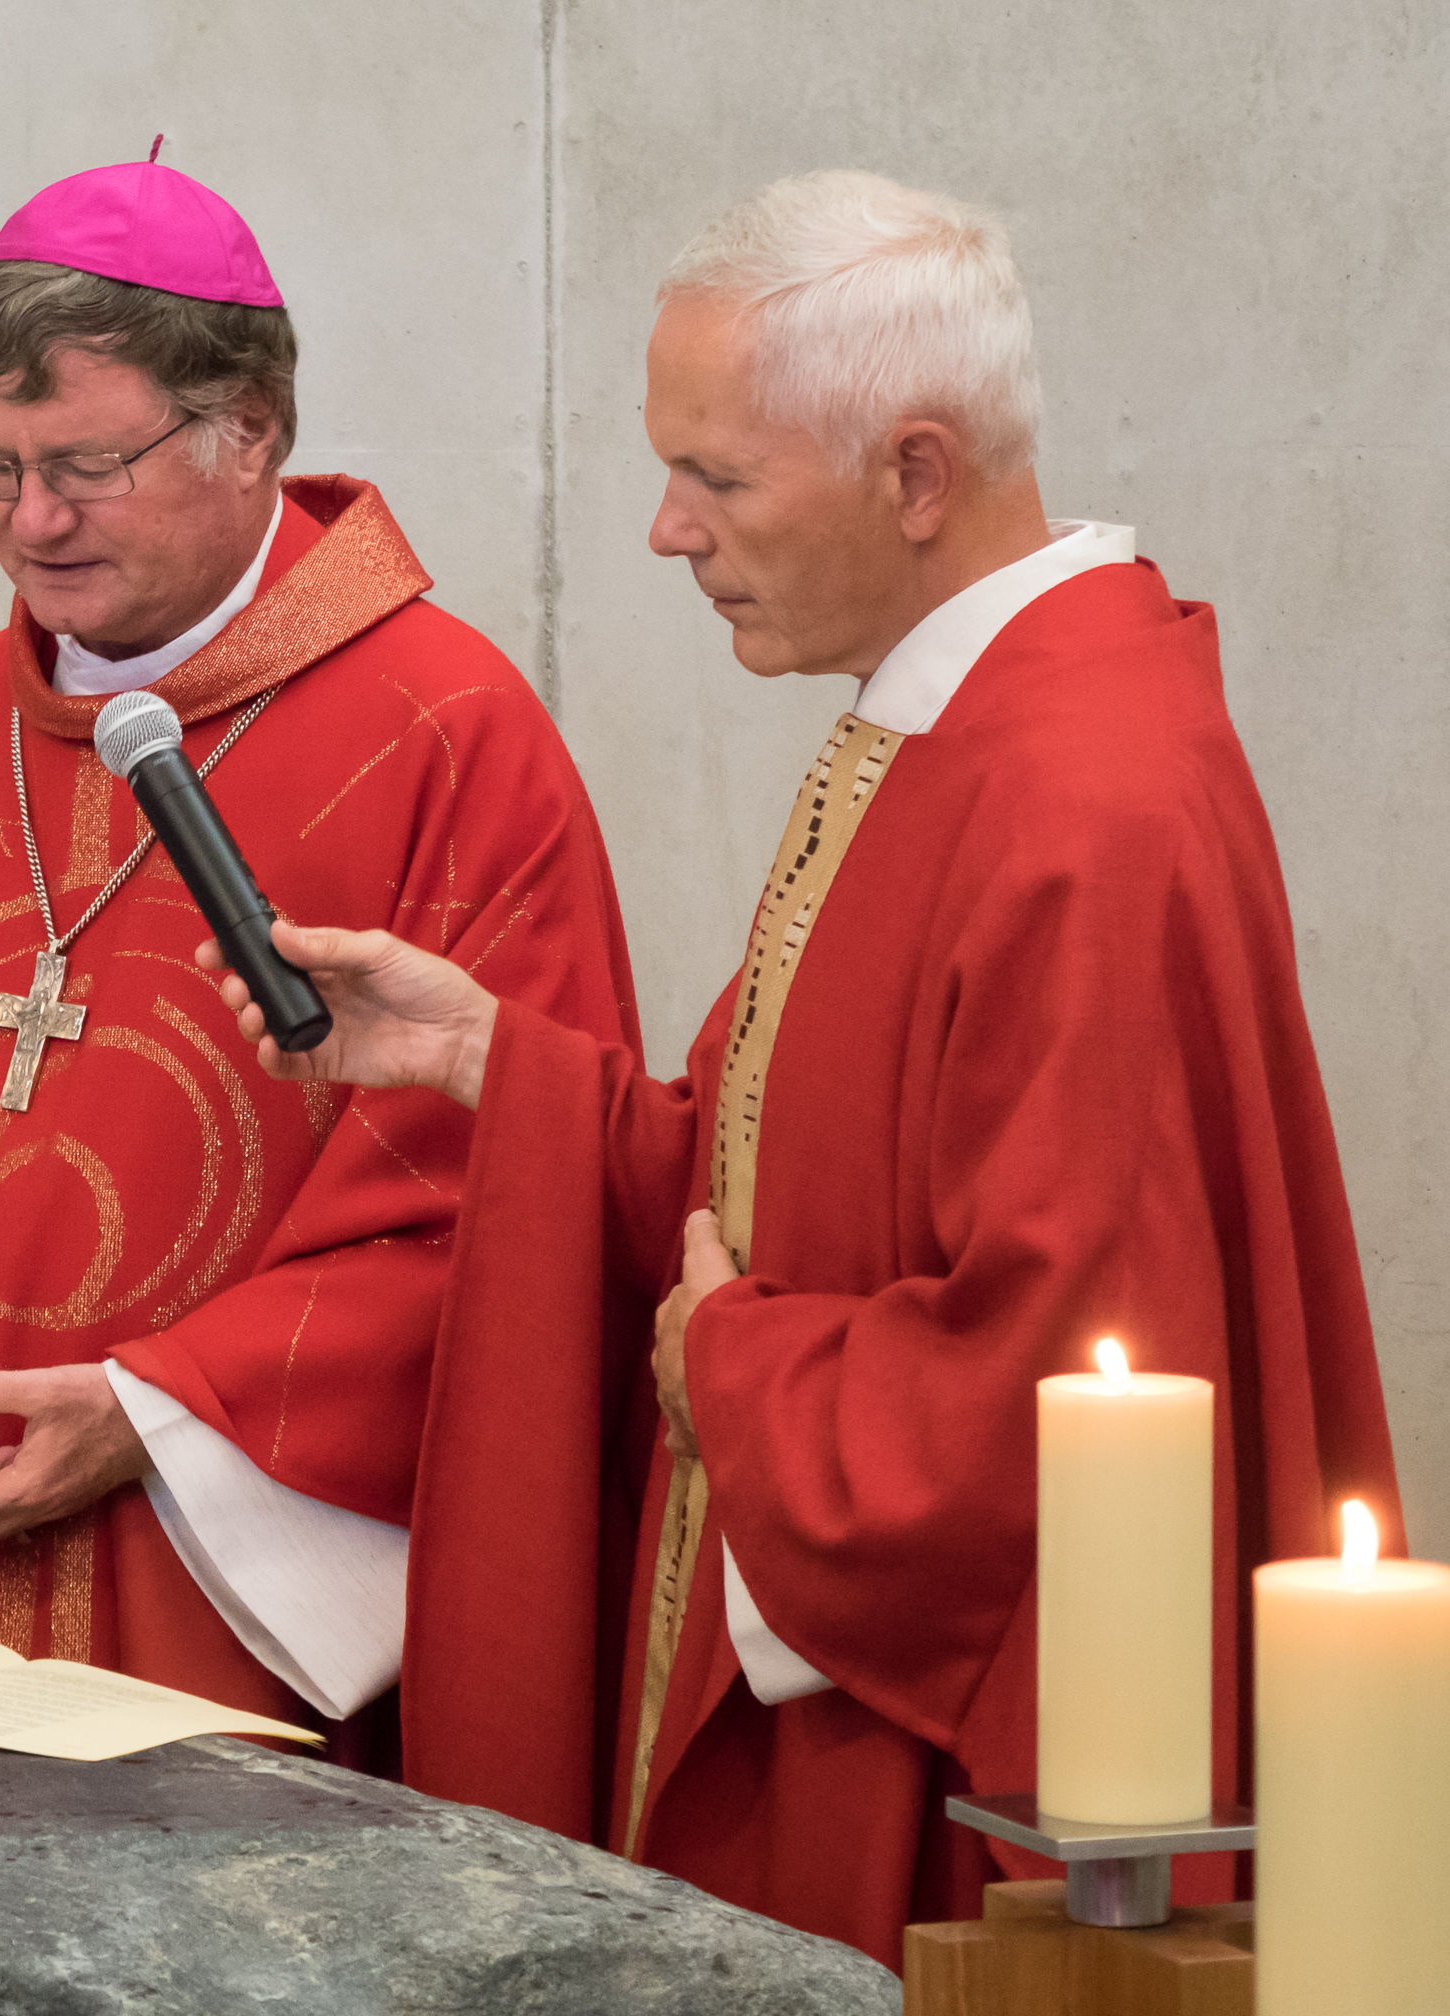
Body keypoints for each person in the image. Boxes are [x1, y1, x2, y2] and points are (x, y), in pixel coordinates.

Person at [204, 170, 1400, 1964]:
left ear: (916, 476)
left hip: (960, 1782)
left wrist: (729, 1365)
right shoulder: (951, 722)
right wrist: (484, 1060)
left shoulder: (1082, 799)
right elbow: (783, 1186)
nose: (666, 530)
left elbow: (1061, 1378)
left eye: (721, 477)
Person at [0, 150, 643, 1817]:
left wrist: (158, 1416)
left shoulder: (450, 738)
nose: (29, 522)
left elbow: (503, 1200)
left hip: (249, 1602)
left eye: (87, 467)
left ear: (248, 430)